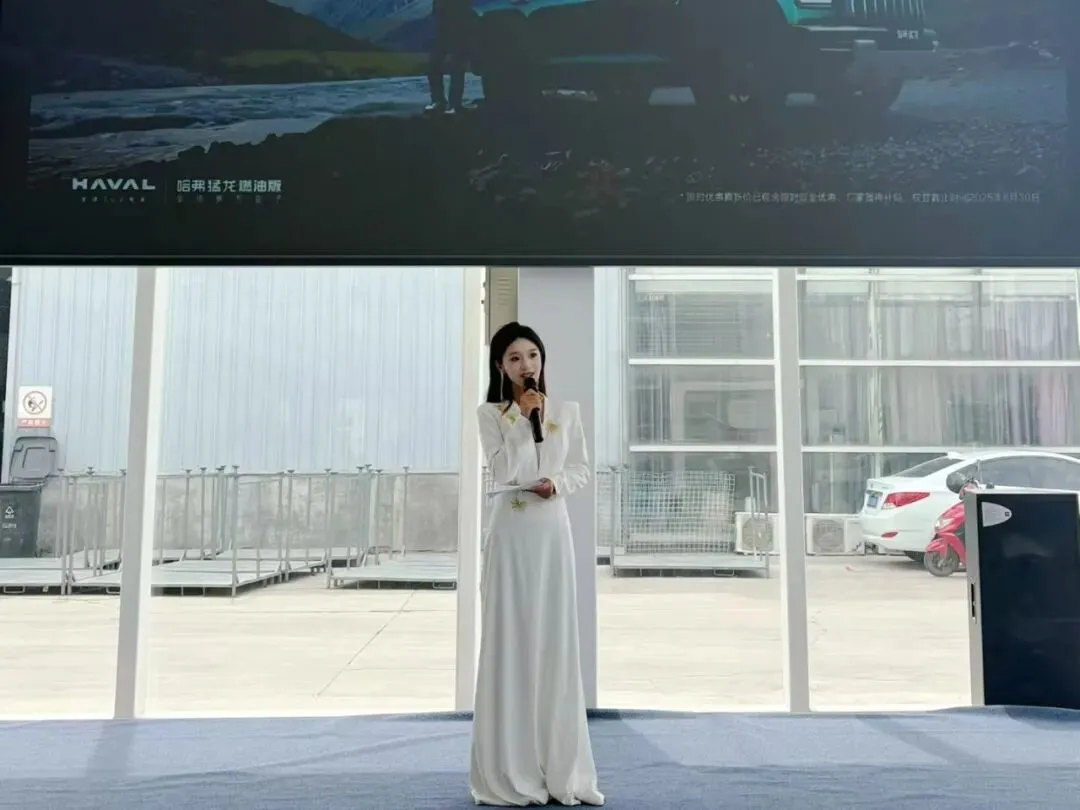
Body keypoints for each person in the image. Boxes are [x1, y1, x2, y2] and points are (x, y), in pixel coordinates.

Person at [469, 321, 605, 807]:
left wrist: (557, 484)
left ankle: (562, 768)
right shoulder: (491, 414)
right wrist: (523, 421)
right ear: (500, 367)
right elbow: (505, 472)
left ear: (542, 359)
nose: (525, 365)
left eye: (532, 355)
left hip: (551, 532)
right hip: (510, 531)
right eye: (514, 358)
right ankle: (512, 768)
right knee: (511, 637)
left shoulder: (567, 411)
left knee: (554, 637)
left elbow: (580, 468)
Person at [425, 0, 473, 114]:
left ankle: (454, 103)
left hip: (459, 26)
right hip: (442, 27)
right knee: (435, 65)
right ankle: (439, 101)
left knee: (457, 66)